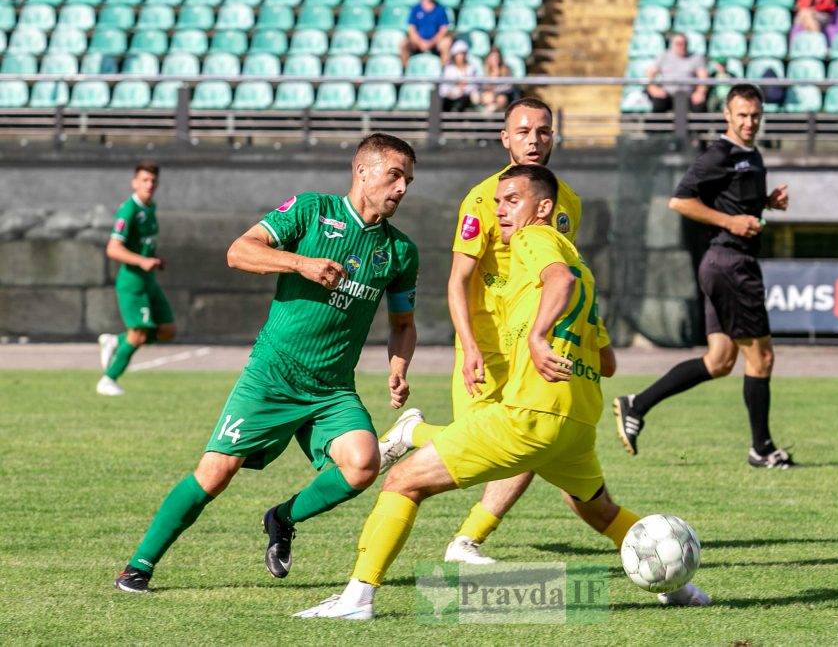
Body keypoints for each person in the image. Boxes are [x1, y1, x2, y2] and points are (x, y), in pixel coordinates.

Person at [294, 165, 710, 619]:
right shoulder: (580, 263)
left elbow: (558, 281)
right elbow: (608, 362)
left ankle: (357, 599)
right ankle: (679, 587)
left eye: (512, 200)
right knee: (601, 512)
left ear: (543, 208)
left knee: (402, 482)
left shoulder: (538, 240)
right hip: (575, 422)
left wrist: (537, 337)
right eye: (497, 202)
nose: (501, 210)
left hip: (530, 415)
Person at [113, 134, 420, 593]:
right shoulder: (312, 210)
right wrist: (301, 264)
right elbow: (239, 251)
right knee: (215, 473)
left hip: (332, 388)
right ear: (362, 171)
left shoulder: (399, 251)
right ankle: (139, 564)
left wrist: (398, 367)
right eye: (394, 176)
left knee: (363, 464)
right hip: (272, 376)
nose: (401, 189)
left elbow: (402, 324)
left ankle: (282, 516)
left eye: (408, 181)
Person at [374, 97, 583, 565]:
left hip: (533, 345)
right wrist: (469, 345)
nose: (534, 139)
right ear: (505, 138)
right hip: (487, 347)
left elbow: (560, 273)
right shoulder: (483, 198)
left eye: (543, 131)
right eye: (524, 131)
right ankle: (415, 433)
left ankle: (467, 539)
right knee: (476, 442)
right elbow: (458, 280)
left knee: (527, 443)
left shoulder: (567, 201)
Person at [613, 84, 796, 470]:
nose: (749, 122)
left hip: (723, 264)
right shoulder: (719, 154)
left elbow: (736, 202)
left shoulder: (752, 154)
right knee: (760, 358)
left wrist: (766, 204)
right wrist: (730, 220)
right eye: (742, 115)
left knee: (719, 361)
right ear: (727, 116)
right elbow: (680, 200)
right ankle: (761, 449)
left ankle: (637, 404)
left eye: (755, 115)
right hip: (731, 266)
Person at [96, 162, 176, 397]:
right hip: (132, 283)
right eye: (144, 180)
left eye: (153, 181)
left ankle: (116, 342)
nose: (149, 185)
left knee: (167, 330)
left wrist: (153, 259)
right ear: (135, 182)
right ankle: (108, 379)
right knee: (139, 333)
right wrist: (141, 261)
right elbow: (113, 249)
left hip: (149, 281)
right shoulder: (128, 210)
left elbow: (143, 246)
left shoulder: (150, 208)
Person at [645, 34, 709, 114]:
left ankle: (701, 127)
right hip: (667, 94)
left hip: (688, 95)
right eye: (678, 43)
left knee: (700, 106)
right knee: (658, 104)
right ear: (672, 44)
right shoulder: (663, 56)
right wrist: (652, 88)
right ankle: (654, 127)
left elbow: (703, 78)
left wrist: (700, 92)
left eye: (684, 43)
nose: (681, 46)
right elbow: (650, 73)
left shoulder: (696, 57)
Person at [401, 0, 453, 66]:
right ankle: (406, 72)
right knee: (403, 44)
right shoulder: (415, 9)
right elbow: (411, 29)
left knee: (446, 43)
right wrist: (420, 42)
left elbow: (443, 30)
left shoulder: (440, 9)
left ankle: (443, 73)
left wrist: (431, 42)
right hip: (417, 43)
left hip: (435, 43)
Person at [439, 39, 481, 112]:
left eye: (463, 54)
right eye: (459, 54)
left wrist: (463, 89)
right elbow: (444, 89)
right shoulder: (449, 69)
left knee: (468, 98)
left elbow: (474, 87)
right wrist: (456, 90)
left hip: (466, 99)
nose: (461, 56)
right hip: (450, 99)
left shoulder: (471, 68)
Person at [479, 48, 518, 113]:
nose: (495, 59)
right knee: (488, 97)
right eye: (493, 57)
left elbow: (509, 86)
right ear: (488, 58)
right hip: (488, 94)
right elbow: (482, 85)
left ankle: (490, 112)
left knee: (501, 99)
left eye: (497, 57)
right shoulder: (484, 70)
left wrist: (495, 91)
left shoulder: (506, 70)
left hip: (502, 94)